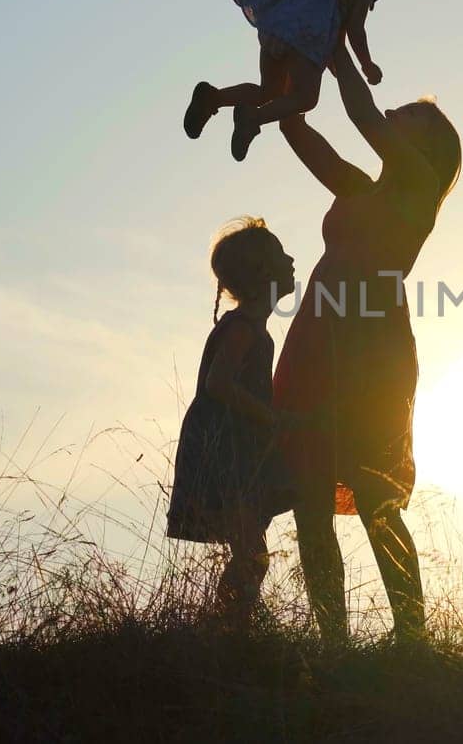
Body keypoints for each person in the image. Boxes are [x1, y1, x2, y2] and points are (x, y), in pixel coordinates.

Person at [272, 38, 461, 646]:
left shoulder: (419, 186)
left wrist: (331, 49)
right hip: (316, 337)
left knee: (378, 496)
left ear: (427, 146)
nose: (394, 115)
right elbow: (303, 136)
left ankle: (413, 637)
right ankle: (335, 643)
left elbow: (360, 112)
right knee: (308, 500)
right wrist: (283, 85)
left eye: (410, 115)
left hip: (370, 349)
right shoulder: (361, 187)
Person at [166, 218, 298, 633]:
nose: (292, 259)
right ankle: (226, 631)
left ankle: (229, 628)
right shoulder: (243, 329)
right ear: (263, 273)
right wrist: (270, 416)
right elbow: (218, 384)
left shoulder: (253, 330)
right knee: (250, 556)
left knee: (250, 554)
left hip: (236, 448)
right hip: (225, 450)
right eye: (281, 255)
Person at [183, 0, 401, 160]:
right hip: (305, 39)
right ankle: (252, 117)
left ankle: (214, 98)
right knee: (305, 98)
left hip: (275, 30)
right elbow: (354, 29)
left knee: (269, 90)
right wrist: (367, 64)